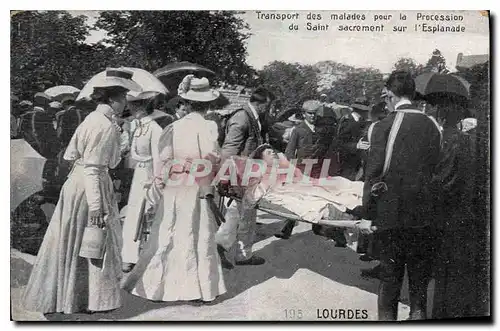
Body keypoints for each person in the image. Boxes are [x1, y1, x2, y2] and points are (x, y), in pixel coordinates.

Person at [22, 68, 141, 314]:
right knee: (93, 242)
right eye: (122, 98)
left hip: (77, 184)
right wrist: (97, 205)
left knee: (73, 241)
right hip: (90, 187)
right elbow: (95, 168)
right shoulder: (104, 126)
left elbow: (71, 154)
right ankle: (88, 300)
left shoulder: (93, 120)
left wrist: (121, 142)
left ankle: (68, 298)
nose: (125, 103)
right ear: (111, 99)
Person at [122, 75, 226, 303]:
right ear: (208, 104)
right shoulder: (209, 127)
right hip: (197, 184)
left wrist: (158, 187)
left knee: (169, 230)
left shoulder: (173, 127)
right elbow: (212, 157)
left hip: (174, 184)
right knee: (196, 233)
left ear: (187, 103)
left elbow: (164, 161)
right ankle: (196, 289)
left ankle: (156, 286)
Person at [358, 71, 441, 320]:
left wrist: (366, 215)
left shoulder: (383, 126)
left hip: (391, 216)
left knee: (390, 281)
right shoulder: (434, 126)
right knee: (418, 286)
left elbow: (373, 176)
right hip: (424, 216)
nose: (385, 101)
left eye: (386, 96)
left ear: (392, 95)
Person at [215, 86, 274, 268]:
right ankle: (220, 250)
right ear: (261, 104)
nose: (271, 110)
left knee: (246, 216)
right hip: (238, 178)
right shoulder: (242, 118)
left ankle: (242, 255)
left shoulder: (254, 117)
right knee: (234, 217)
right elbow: (229, 151)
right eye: (270, 106)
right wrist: (225, 179)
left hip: (249, 176)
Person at [430, 95, 476, 319]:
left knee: (445, 269)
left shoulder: (448, 139)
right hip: (463, 209)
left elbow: (443, 178)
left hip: (447, 210)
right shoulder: (466, 139)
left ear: (442, 116)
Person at [275, 100, 332, 239]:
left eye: (315, 114)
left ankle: (317, 226)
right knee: (298, 197)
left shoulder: (322, 129)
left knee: (318, 196)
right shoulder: (298, 130)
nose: (313, 116)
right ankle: (287, 227)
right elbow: (289, 151)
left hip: (318, 168)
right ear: (304, 114)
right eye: (310, 114)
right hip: (302, 167)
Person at [121, 91, 164, 273]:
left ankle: (150, 256)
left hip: (149, 175)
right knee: (133, 215)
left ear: (143, 107)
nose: (131, 108)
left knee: (148, 216)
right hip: (138, 174)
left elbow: (158, 158)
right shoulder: (136, 127)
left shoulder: (155, 129)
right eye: (132, 105)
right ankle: (129, 256)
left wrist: (156, 180)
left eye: (135, 105)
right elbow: (132, 152)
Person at [337, 96, 372, 181]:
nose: (367, 113)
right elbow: (339, 144)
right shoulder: (347, 121)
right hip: (347, 163)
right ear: (361, 111)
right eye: (366, 111)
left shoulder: (360, 121)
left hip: (357, 161)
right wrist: (356, 146)